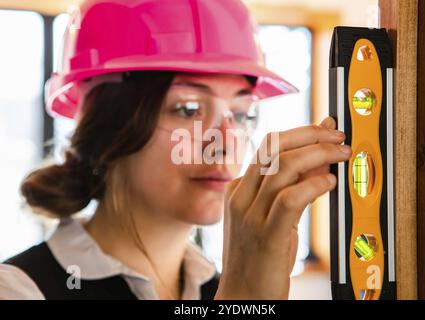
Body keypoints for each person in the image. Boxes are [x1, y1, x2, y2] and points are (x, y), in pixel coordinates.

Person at [0, 0, 351, 300]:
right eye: (188, 109)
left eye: (242, 114)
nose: (226, 143)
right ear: (107, 124)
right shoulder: (19, 289)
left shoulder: (220, 287)